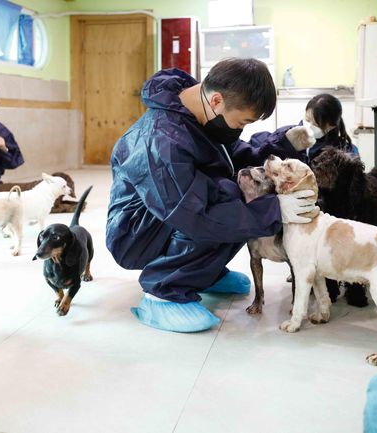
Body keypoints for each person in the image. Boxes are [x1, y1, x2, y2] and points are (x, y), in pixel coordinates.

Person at [106, 58, 319, 333]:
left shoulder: (197, 112)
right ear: (217, 100)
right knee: (233, 196)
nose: (241, 129)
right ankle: (164, 289)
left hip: (171, 214)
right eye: (243, 121)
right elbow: (197, 212)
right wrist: (274, 211)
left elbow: (235, 156)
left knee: (238, 189)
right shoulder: (162, 141)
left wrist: (283, 144)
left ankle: (203, 273)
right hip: (136, 234)